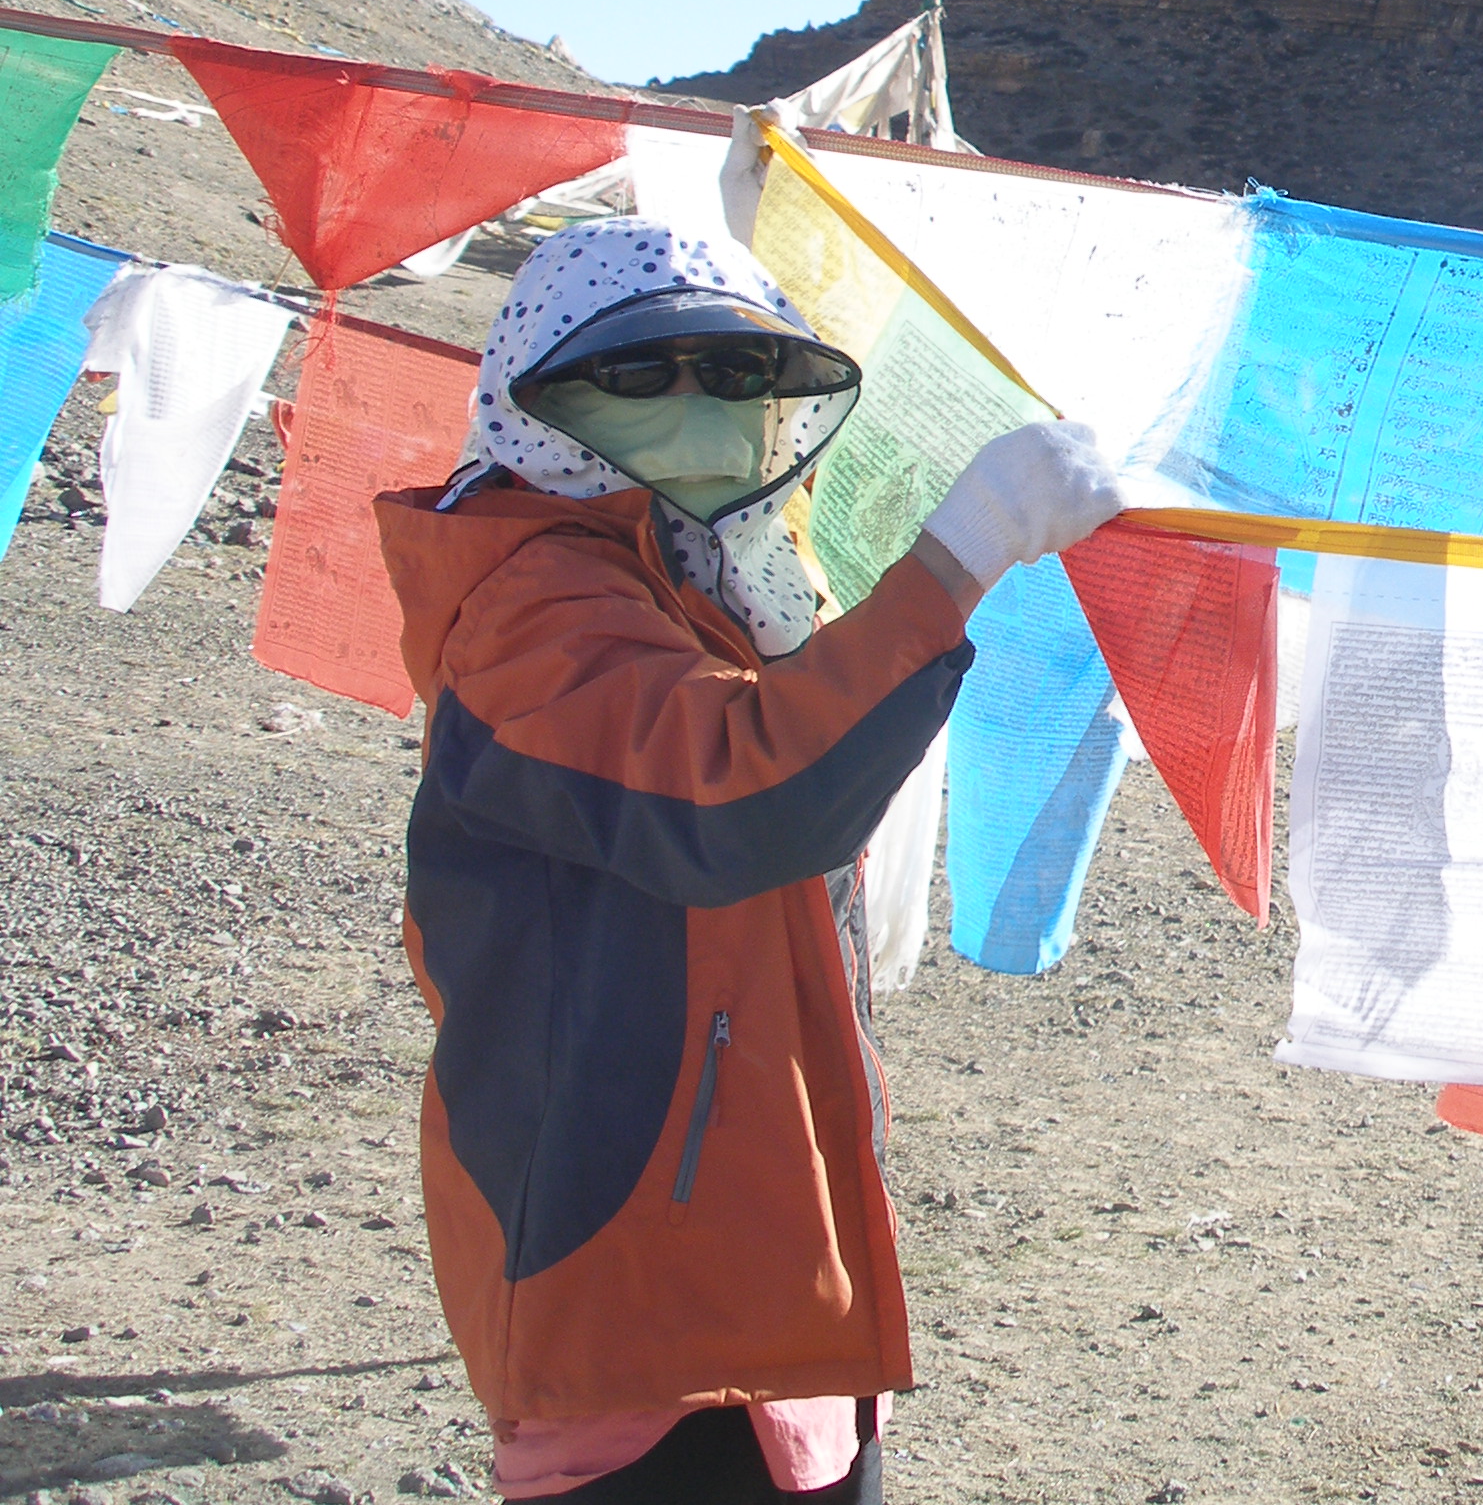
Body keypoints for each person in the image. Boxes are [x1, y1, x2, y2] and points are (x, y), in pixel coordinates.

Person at [376, 220, 1122, 1502]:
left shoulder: (723, 581)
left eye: (732, 374)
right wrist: (967, 548)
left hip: (769, 1255)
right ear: (535, 388)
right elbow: (736, 800)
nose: (694, 404)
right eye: (637, 372)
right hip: (627, 1282)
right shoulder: (528, 604)